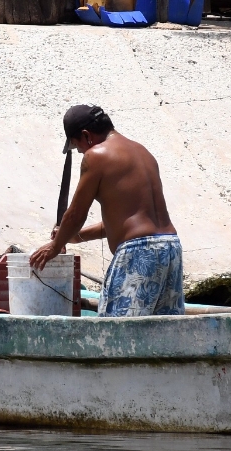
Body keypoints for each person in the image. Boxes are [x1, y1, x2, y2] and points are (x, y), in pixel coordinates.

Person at [30, 105, 185, 317]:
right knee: (163, 335)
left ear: (86, 136)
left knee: (116, 333)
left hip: (138, 253)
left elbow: (76, 214)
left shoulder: (97, 155)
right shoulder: (143, 152)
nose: (82, 152)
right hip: (170, 248)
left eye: (78, 147)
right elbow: (127, 220)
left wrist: (55, 246)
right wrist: (74, 237)